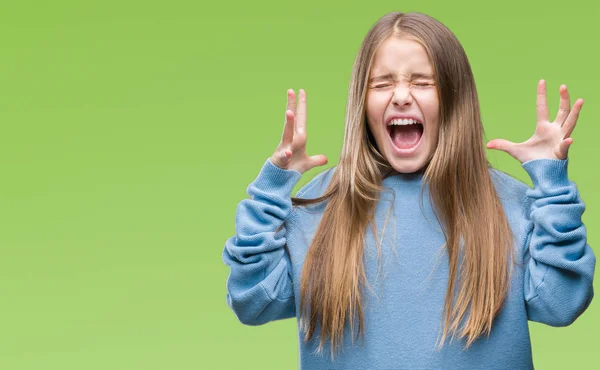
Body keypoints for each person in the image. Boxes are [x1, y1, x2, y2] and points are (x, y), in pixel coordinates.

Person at [222, 11, 595, 369]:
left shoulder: (511, 206)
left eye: (422, 82)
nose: (401, 95)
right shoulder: (320, 209)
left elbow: (561, 303)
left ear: (454, 98)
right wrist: (272, 190)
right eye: (382, 83)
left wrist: (552, 185)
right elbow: (251, 299)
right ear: (362, 104)